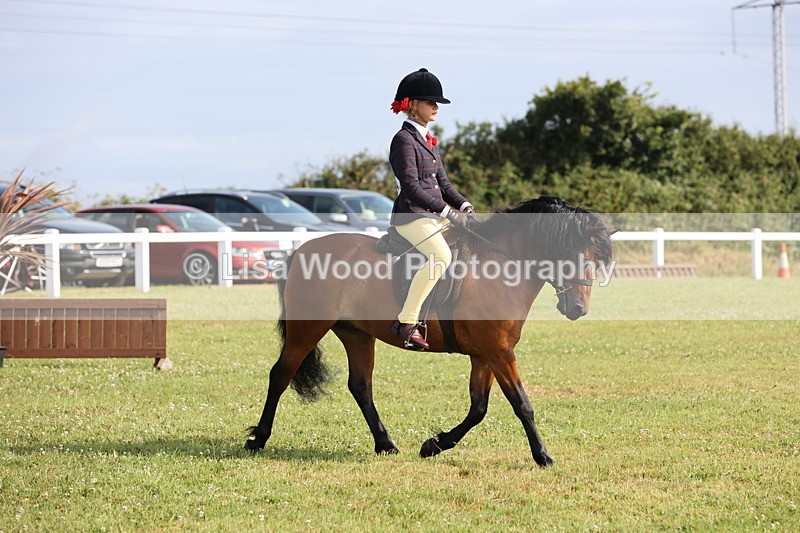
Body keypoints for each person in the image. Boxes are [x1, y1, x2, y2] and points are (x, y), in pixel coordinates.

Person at [388, 68, 473, 351]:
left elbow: (443, 184)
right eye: (430, 102)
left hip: (432, 215)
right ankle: (407, 322)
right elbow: (412, 187)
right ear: (412, 105)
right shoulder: (403, 140)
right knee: (440, 256)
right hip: (411, 216)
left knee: (474, 240)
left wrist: (464, 205)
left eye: (437, 103)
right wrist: (447, 212)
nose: (436, 107)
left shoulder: (429, 141)